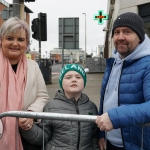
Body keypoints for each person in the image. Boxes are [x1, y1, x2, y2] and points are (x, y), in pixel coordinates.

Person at [95, 12, 150, 150]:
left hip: (137, 144)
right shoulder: (113, 63)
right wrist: (101, 133)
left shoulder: (148, 64)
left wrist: (115, 117)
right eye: (116, 32)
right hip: (110, 143)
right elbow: (105, 101)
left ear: (140, 37)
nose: (120, 37)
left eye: (127, 32)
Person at [20, 64, 100, 150]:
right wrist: (27, 128)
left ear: (84, 82)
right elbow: (43, 137)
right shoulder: (50, 107)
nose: (74, 80)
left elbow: (94, 137)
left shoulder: (92, 107)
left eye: (78, 77)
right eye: (68, 77)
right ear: (61, 82)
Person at [0, 17, 49, 150]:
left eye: (20, 39)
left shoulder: (33, 66)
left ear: (26, 43)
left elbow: (42, 97)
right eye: (10, 38)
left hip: (26, 135)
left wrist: (31, 114)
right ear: (1, 40)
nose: (15, 43)